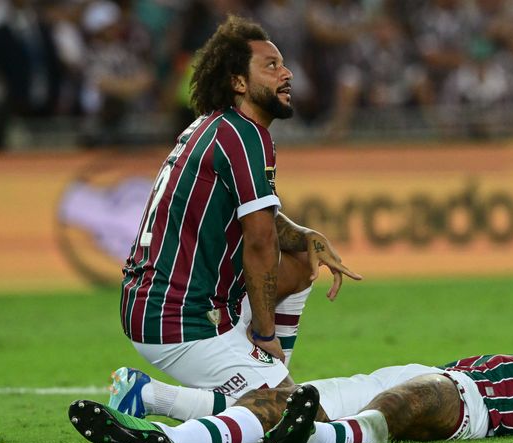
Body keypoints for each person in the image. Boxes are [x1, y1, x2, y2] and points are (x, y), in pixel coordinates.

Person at [112, 15, 361, 421]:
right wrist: (264, 334)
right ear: (239, 83)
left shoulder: (217, 127)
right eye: (271, 66)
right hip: (179, 317)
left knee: (301, 260)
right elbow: (260, 241)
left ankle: (268, 376)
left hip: (158, 301)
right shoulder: (243, 136)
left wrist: (307, 235)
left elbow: (266, 223)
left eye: (283, 64)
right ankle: (156, 396)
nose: (287, 74)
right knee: (295, 414)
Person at [67, 343, 513, 443]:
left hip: (463, 402)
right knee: (274, 398)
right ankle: (157, 435)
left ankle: (317, 438)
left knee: (415, 401)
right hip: (413, 371)